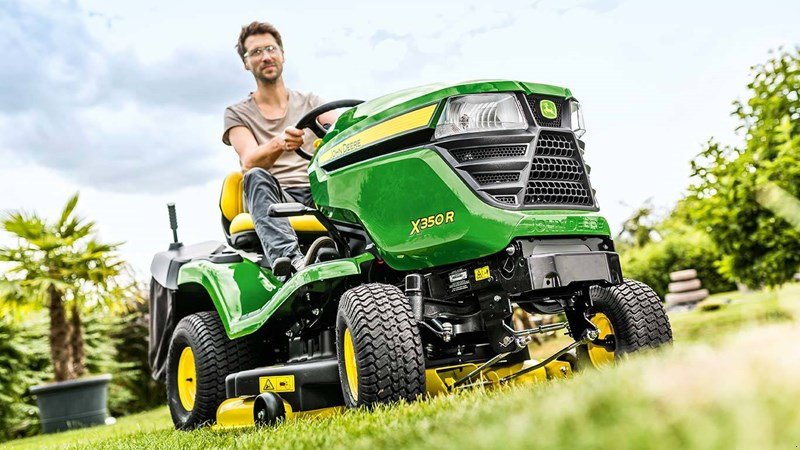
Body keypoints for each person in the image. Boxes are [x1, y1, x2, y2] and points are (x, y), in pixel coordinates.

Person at [222, 21, 336, 272]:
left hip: (322, 191)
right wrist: (279, 143)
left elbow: (340, 131)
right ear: (245, 63)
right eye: (256, 52)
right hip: (278, 196)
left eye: (271, 49)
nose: (266, 57)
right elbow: (249, 160)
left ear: (282, 54)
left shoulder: (311, 102)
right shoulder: (237, 113)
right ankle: (291, 262)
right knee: (255, 176)